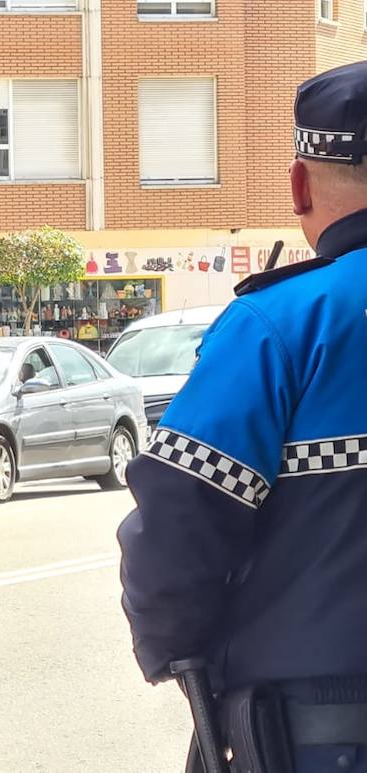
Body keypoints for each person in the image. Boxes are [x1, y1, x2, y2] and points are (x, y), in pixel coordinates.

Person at [119, 60, 367, 772]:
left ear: (299, 183)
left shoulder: (279, 326)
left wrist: (175, 647)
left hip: (325, 731)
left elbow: (178, 518)